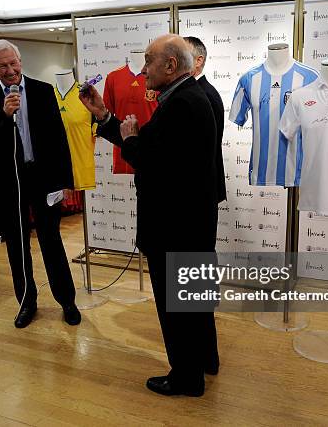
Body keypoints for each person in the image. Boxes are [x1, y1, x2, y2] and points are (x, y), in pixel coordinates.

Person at [79, 34, 219, 397]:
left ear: (170, 66)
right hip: (189, 223)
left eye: (148, 61)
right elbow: (156, 149)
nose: (143, 69)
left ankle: (187, 377)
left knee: (177, 307)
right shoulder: (187, 96)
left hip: (174, 227)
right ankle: (203, 362)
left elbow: (156, 165)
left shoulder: (183, 103)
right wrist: (105, 117)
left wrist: (130, 141)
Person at [0, 39, 80, 328]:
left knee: (51, 242)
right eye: (2, 65)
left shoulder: (44, 91)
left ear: (20, 62)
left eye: (13, 63)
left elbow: (59, 139)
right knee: (17, 247)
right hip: (8, 183)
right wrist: (4, 115)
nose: (10, 70)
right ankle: (26, 302)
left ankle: (67, 300)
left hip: (43, 179)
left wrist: (65, 181)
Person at [184, 36, 226, 203]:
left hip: (198, 190)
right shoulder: (194, 93)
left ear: (198, 61)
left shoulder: (204, 95)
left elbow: (202, 150)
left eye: (181, 55)